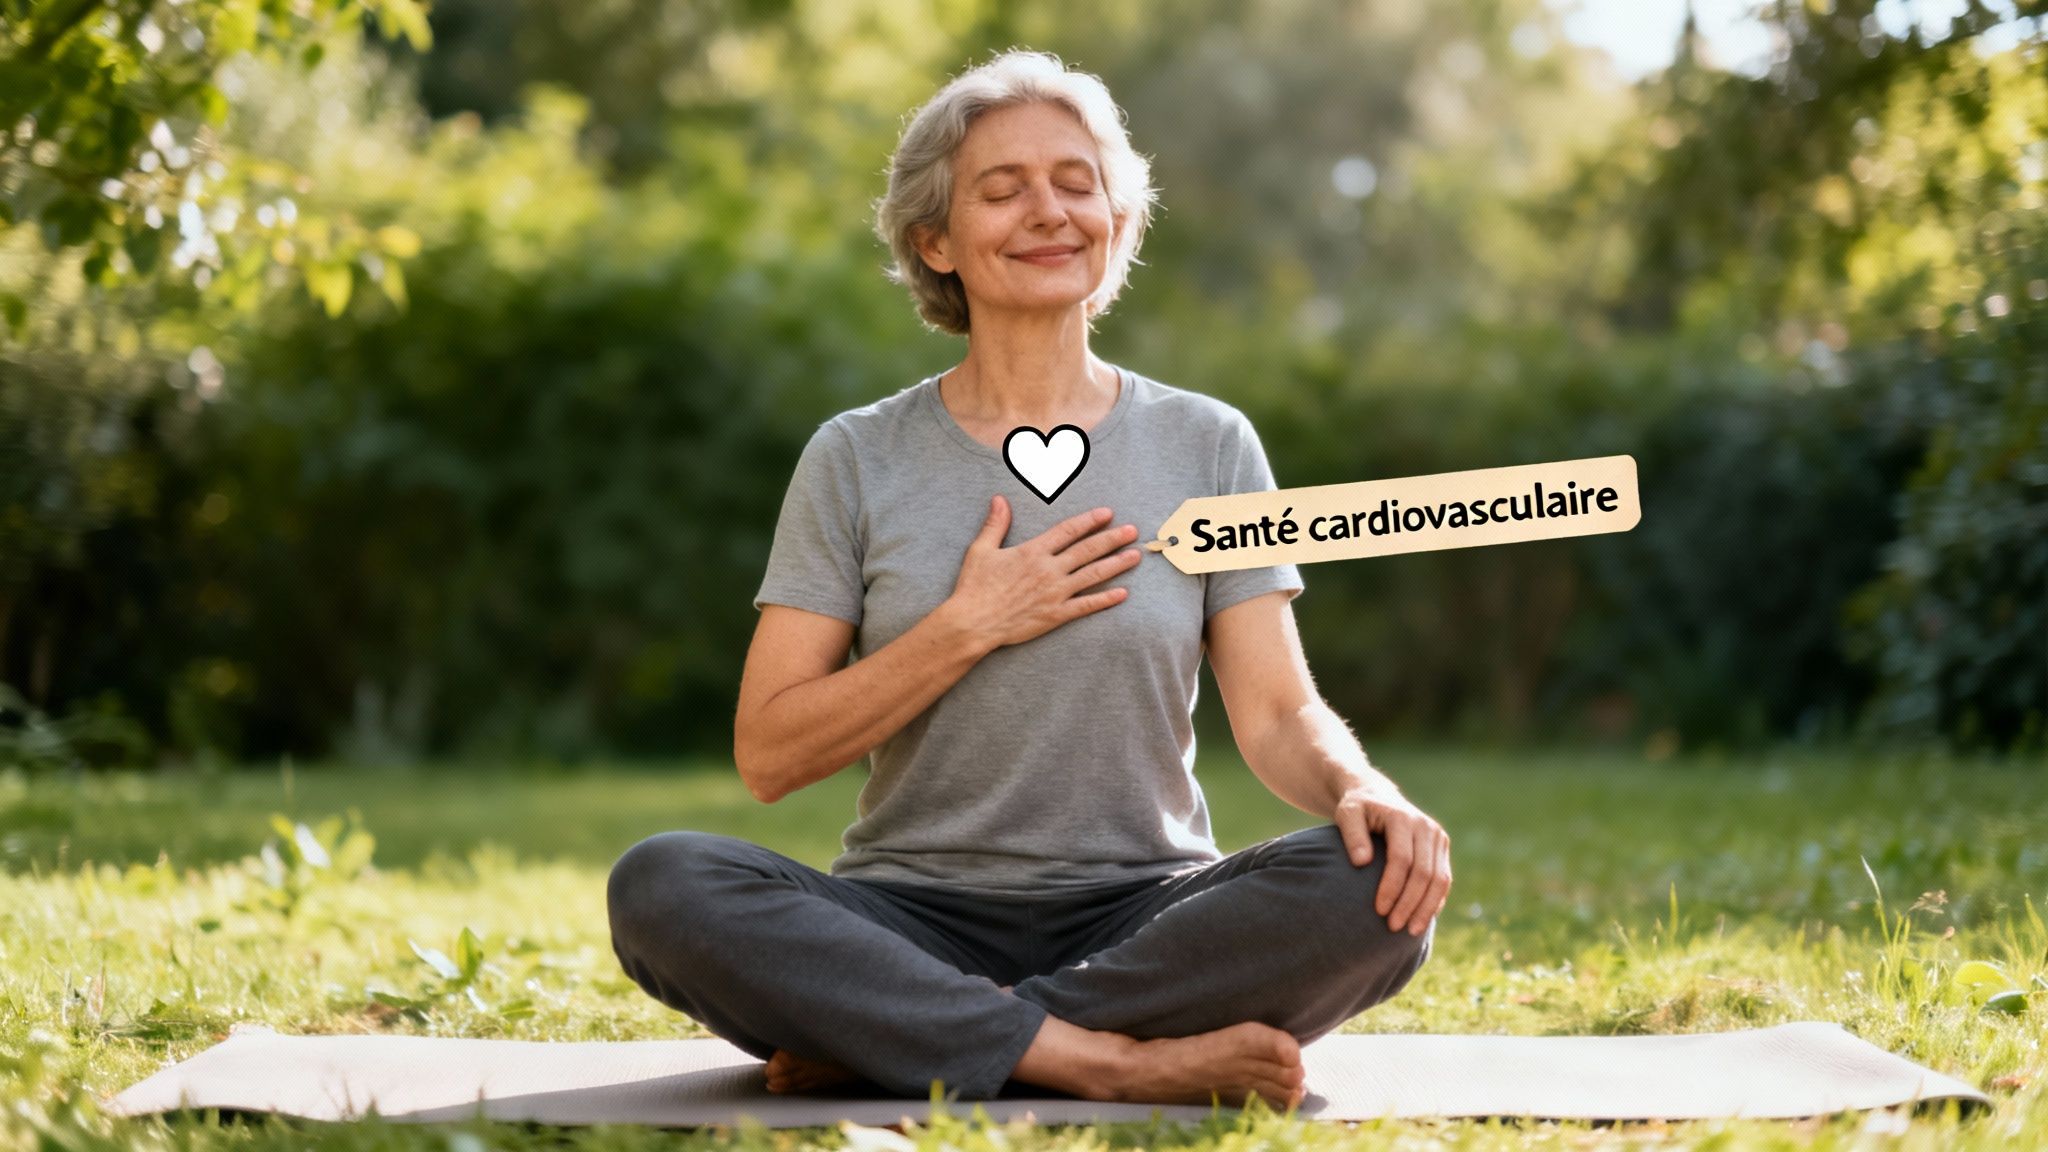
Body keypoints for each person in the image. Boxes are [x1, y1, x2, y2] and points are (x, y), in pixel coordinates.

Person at [607, 49, 1451, 1112]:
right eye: (1001, 192)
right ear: (936, 242)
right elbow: (771, 753)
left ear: (1117, 217)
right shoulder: (855, 457)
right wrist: (966, 626)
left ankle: (904, 1031)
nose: (1048, 212)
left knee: (1375, 883)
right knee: (663, 884)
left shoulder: (1207, 444)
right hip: (906, 914)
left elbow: (1278, 713)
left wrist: (1357, 787)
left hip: (1145, 913)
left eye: (1075, 182)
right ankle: (1102, 1059)